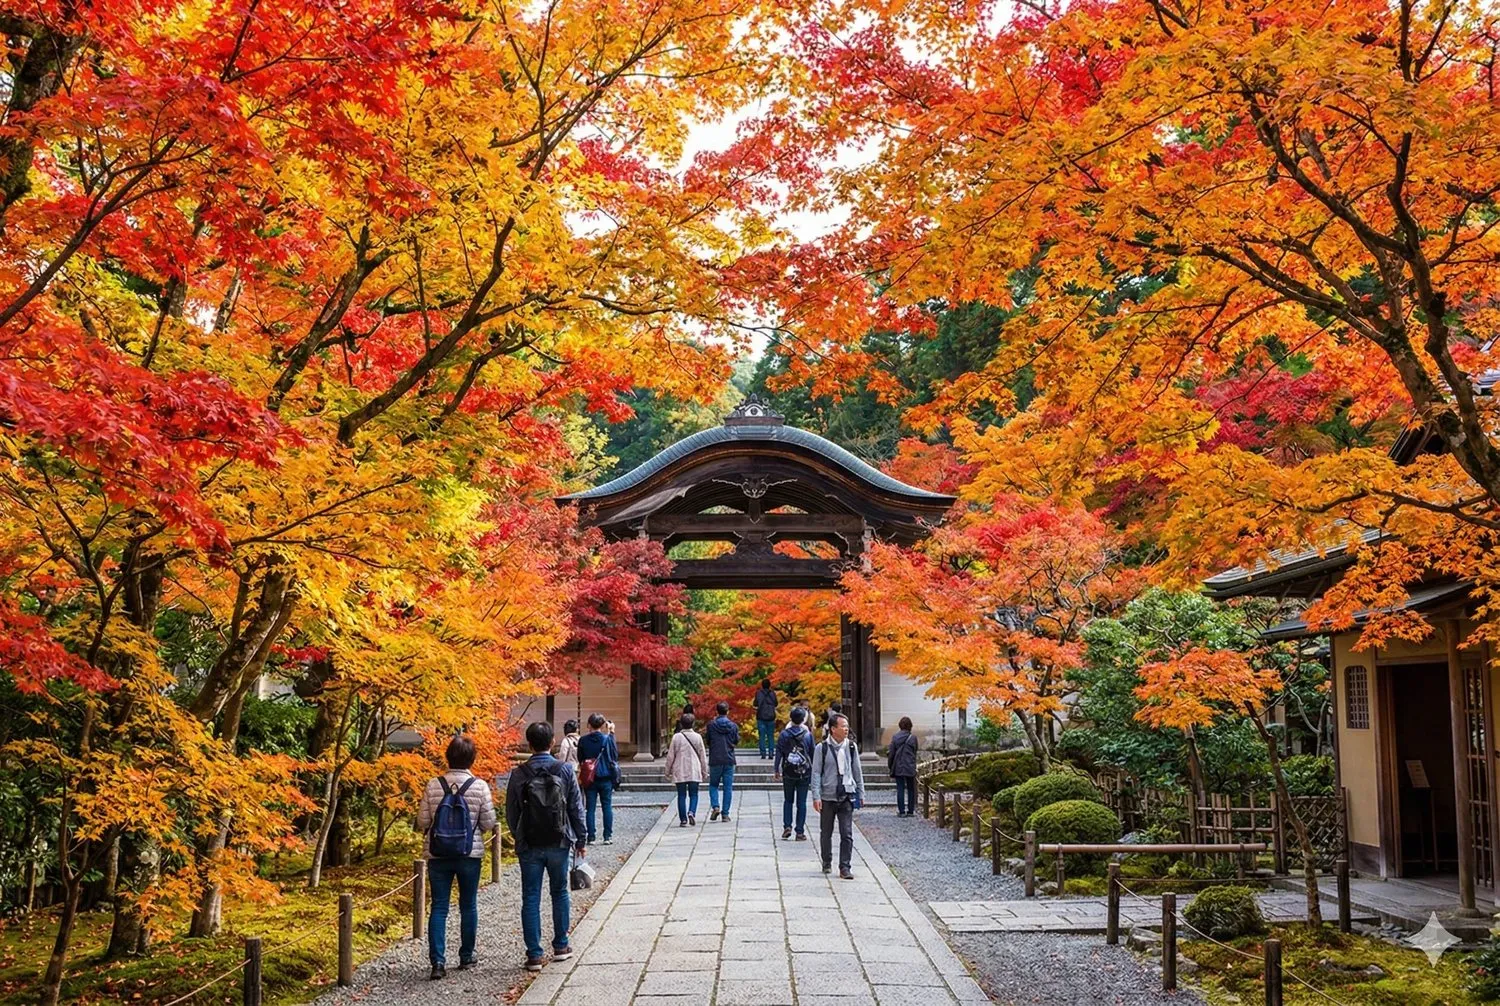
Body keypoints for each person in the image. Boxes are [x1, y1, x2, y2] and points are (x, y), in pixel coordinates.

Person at [506, 721, 587, 972]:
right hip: (559, 840)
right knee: (559, 891)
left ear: (529, 744)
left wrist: (519, 835)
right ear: (552, 742)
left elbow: (512, 812)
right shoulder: (563, 770)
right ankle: (561, 946)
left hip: (529, 843)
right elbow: (576, 807)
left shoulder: (519, 773)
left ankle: (534, 954)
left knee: (530, 896)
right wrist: (581, 839)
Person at [416, 733, 497, 979]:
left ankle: (437, 963)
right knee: (468, 904)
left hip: (438, 853)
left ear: (448, 757)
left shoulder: (433, 784)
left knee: (439, 906)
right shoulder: (480, 786)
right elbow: (489, 821)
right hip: (469, 853)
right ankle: (466, 955)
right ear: (472, 759)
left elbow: (422, 821)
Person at [811, 713, 865, 879]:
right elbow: (816, 772)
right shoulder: (822, 748)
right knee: (826, 832)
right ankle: (827, 861)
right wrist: (816, 796)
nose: (846, 729)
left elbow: (857, 770)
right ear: (833, 729)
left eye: (847, 726)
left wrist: (861, 791)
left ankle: (845, 867)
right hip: (827, 795)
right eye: (843, 726)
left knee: (846, 833)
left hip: (846, 794)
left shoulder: (851, 747)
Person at [575, 713, 619, 845]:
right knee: (607, 806)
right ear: (602, 725)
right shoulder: (607, 739)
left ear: (589, 725)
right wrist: (611, 732)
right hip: (605, 777)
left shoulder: (583, 740)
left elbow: (580, 758)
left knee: (590, 808)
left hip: (590, 777)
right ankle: (607, 836)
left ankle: (591, 836)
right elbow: (614, 756)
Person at [774, 706, 816, 840]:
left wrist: (776, 769)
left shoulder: (784, 734)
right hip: (804, 772)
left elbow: (779, 752)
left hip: (788, 771)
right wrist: (815, 770)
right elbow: (812, 753)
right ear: (803, 719)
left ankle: (787, 826)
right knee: (801, 802)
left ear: (790, 719)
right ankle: (800, 831)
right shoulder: (808, 735)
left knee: (788, 800)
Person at [664, 712, 709, 826]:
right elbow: (702, 755)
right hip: (694, 769)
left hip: (680, 769)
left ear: (681, 724)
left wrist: (667, 771)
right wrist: (705, 771)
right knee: (694, 794)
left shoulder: (676, 737)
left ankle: (683, 819)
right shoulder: (698, 737)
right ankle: (692, 812)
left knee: (681, 795)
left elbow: (670, 756)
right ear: (693, 724)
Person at [705, 700, 739, 822]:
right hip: (729, 758)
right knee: (728, 787)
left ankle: (715, 806)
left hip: (715, 758)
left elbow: (708, 741)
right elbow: (736, 741)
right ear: (727, 711)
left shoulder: (711, 725)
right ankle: (725, 814)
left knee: (713, 785)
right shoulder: (733, 726)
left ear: (717, 711)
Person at [887, 716, 919, 817]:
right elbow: (915, 752)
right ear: (910, 726)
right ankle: (910, 811)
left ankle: (901, 811)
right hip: (909, 765)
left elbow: (891, 753)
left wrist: (890, 765)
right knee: (911, 789)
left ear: (900, 725)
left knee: (900, 788)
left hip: (899, 766)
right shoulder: (913, 738)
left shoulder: (895, 737)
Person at [753, 678, 778, 759]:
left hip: (761, 717)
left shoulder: (758, 693)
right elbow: (776, 703)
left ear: (762, 685)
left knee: (762, 736)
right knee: (771, 736)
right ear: (769, 685)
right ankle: (771, 753)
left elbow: (755, 703)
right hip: (771, 717)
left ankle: (763, 753)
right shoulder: (773, 693)